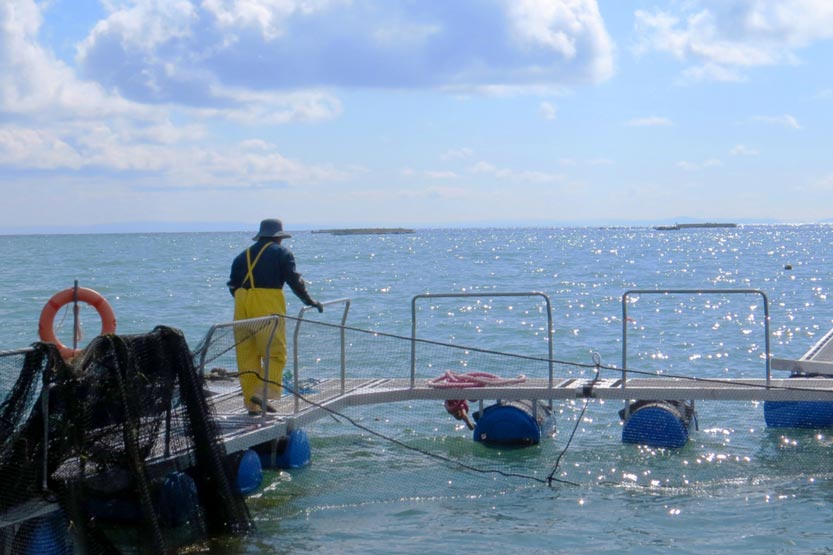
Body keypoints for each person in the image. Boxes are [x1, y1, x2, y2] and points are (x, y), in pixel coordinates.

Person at [228, 218, 323, 414]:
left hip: (240, 304)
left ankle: (252, 405)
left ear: (261, 236)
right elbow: (294, 281)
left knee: (247, 355)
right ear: (278, 237)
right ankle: (263, 393)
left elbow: (232, 285)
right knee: (275, 352)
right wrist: (309, 301)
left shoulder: (241, 256)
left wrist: (244, 300)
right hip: (266, 303)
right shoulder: (282, 253)